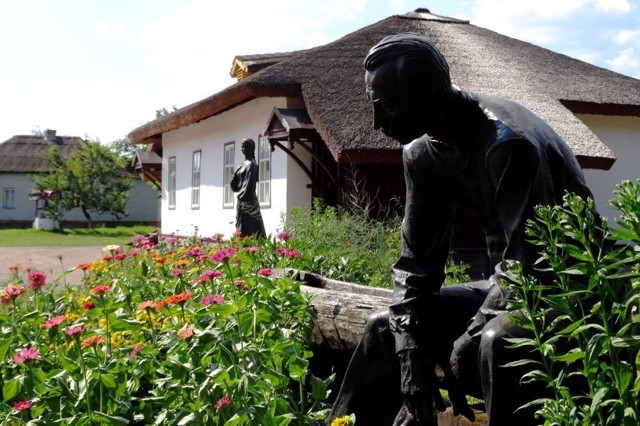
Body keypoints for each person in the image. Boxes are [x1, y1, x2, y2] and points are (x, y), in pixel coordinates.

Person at [329, 33, 597, 425]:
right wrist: (409, 352)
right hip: (509, 287)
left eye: (386, 107)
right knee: (384, 329)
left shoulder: (508, 144)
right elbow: (416, 264)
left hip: (572, 292)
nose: (377, 123)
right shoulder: (421, 153)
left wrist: (460, 349)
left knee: (496, 342)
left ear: (425, 96)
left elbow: (530, 267)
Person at [230, 138, 266, 238]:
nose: (243, 149)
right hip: (242, 201)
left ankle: (250, 245)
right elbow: (236, 187)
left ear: (251, 149)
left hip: (248, 202)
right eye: (242, 147)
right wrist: (235, 174)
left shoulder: (252, 165)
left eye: (246, 147)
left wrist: (241, 198)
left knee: (250, 227)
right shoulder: (243, 165)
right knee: (242, 226)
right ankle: (244, 244)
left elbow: (249, 185)